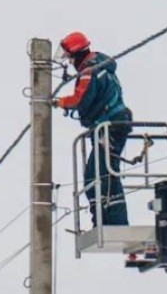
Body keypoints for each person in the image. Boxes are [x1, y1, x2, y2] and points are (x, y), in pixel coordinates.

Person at [53, 31, 132, 227]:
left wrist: (59, 102)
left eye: (70, 58)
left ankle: (107, 220)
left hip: (110, 125)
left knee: (95, 175)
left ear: (77, 53)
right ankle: (115, 220)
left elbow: (80, 99)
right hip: (115, 123)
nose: (70, 62)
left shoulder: (89, 72)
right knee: (107, 172)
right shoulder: (101, 66)